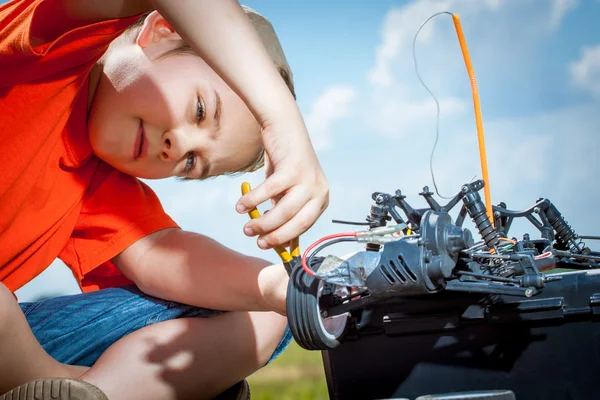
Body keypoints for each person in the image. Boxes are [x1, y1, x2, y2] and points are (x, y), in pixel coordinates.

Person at [0, 0, 329, 399]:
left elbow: (160, 255)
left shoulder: (99, 183)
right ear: (161, 31)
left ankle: (88, 391)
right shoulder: (50, 47)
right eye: (201, 109)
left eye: (193, 162)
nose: (179, 146)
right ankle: (47, 378)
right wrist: (282, 120)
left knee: (267, 316)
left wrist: (279, 286)